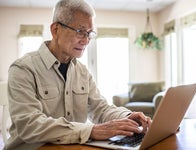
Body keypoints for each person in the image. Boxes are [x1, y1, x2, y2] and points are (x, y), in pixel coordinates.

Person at [5, 0, 151, 149]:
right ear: (55, 30)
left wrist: (126, 117)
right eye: (80, 31)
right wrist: (92, 130)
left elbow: (100, 108)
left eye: (89, 33)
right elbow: (30, 125)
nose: (86, 40)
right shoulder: (22, 69)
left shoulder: (82, 71)